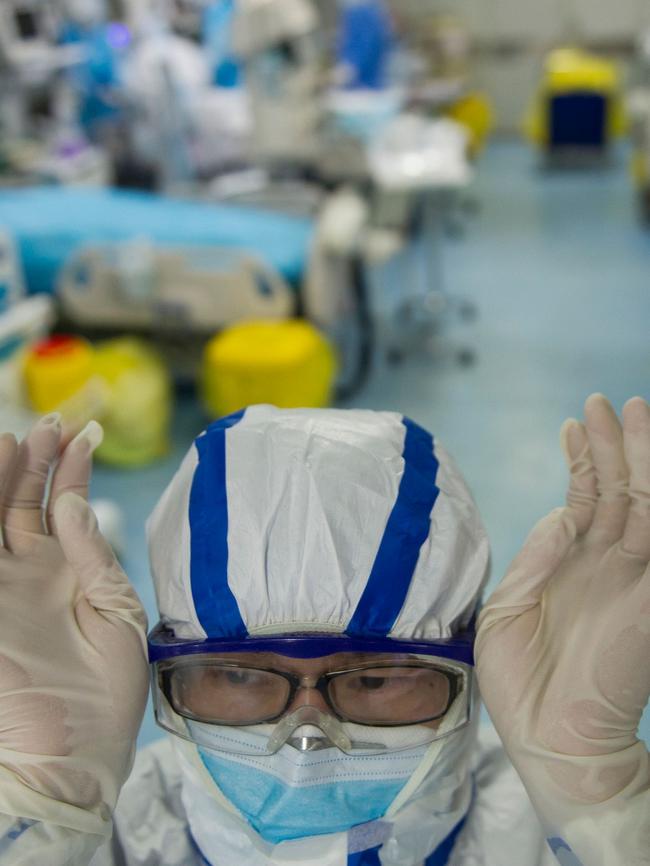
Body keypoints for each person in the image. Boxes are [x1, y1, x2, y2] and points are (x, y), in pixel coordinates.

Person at [0, 396, 648, 866]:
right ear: (164, 676)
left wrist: (604, 809)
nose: (306, 738)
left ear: (474, 668)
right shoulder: (98, 836)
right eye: (239, 674)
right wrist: (39, 810)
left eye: (371, 677)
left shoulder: (554, 826)